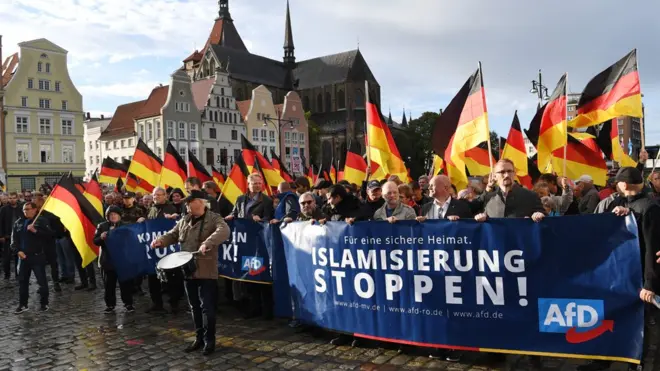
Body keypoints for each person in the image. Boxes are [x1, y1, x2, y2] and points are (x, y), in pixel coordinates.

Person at [581, 167, 660, 371]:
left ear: (623, 185)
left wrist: (649, 284)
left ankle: (640, 364)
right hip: (618, 275)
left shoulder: (650, 208)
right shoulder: (620, 203)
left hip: (639, 277)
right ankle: (604, 360)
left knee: (643, 324)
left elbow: (652, 249)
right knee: (611, 318)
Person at [152, 190, 230, 356]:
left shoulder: (214, 218)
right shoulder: (185, 219)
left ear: (201, 203)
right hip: (187, 270)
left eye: (190, 202)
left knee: (207, 308)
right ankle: (198, 338)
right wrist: (161, 241)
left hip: (206, 270)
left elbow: (223, 230)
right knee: (194, 307)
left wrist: (208, 242)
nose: (186, 205)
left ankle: (210, 341)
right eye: (186, 203)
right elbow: (173, 234)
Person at [225, 174, 274, 319]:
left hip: (259, 242)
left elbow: (270, 219)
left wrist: (261, 219)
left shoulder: (266, 200)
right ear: (248, 184)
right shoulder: (241, 199)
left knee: (262, 275)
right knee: (249, 276)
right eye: (254, 183)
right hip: (245, 243)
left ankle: (267, 311)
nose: (257, 185)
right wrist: (230, 216)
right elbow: (235, 212)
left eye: (259, 183)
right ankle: (254, 307)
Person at [144, 187, 182, 314]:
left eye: (159, 195)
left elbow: (178, 225)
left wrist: (173, 218)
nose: (156, 197)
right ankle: (156, 303)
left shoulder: (171, 208)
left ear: (165, 196)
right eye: (154, 195)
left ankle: (174, 303)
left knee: (172, 277)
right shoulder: (150, 209)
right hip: (154, 248)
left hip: (168, 248)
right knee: (152, 276)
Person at [12, 202, 53, 313]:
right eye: (24, 209)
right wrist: (18, 251)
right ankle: (23, 304)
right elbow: (14, 240)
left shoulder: (41, 221)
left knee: (42, 281)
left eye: (28, 209)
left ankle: (44, 303)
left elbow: (50, 236)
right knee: (22, 282)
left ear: (34, 210)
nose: (26, 211)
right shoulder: (18, 222)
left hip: (37, 256)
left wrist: (35, 231)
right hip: (23, 257)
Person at [473, 159, 545, 221]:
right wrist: (481, 218)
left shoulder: (530, 196)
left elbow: (545, 218)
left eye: (509, 171)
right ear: (494, 176)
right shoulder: (489, 197)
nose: (507, 175)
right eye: (502, 172)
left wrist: (539, 214)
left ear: (514, 173)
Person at [94, 206, 135, 313]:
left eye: (115, 214)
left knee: (125, 284)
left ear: (119, 215)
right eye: (111, 215)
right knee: (109, 285)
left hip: (122, 260)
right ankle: (110, 305)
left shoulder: (125, 225)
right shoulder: (102, 226)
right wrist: (101, 237)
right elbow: (95, 241)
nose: (113, 216)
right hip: (108, 260)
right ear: (107, 216)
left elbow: (131, 239)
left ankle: (128, 303)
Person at [0, 192, 23, 279]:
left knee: (18, 256)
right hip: (7, 236)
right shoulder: (3, 209)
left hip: (19, 236)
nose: (12, 199)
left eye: (13, 198)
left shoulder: (21, 208)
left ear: (17, 198)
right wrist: (1, 235)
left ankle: (18, 274)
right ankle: (7, 274)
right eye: (10, 198)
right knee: (7, 257)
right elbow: (0, 222)